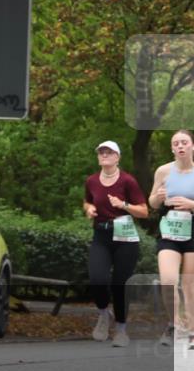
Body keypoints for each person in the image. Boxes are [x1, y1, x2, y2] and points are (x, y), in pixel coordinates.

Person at [82, 140, 148, 348]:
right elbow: (87, 200)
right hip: (101, 235)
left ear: (117, 157)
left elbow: (144, 211)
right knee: (97, 278)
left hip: (125, 238)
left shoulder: (128, 181)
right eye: (101, 152)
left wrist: (123, 205)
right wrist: (89, 209)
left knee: (120, 284)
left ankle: (121, 329)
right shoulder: (92, 181)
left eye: (109, 152)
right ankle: (104, 314)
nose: (104, 155)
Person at [149, 129, 194, 347]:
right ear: (172, 148)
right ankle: (174, 325)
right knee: (168, 281)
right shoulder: (163, 171)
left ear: (192, 146)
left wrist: (192, 205)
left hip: (192, 228)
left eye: (184, 142)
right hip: (170, 228)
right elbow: (152, 202)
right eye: (176, 143)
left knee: (190, 285)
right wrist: (156, 198)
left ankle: (192, 330)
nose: (180, 146)